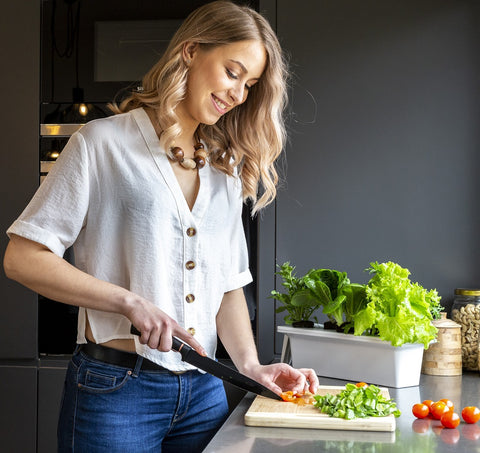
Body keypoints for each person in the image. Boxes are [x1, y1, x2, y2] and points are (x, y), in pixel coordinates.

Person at [3, 1, 318, 451]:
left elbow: (226, 284)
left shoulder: (224, 167)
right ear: (191, 51)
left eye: (249, 85)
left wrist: (249, 365)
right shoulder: (101, 144)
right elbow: (21, 257)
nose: (239, 94)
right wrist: (129, 302)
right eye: (233, 72)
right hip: (114, 392)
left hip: (205, 393)